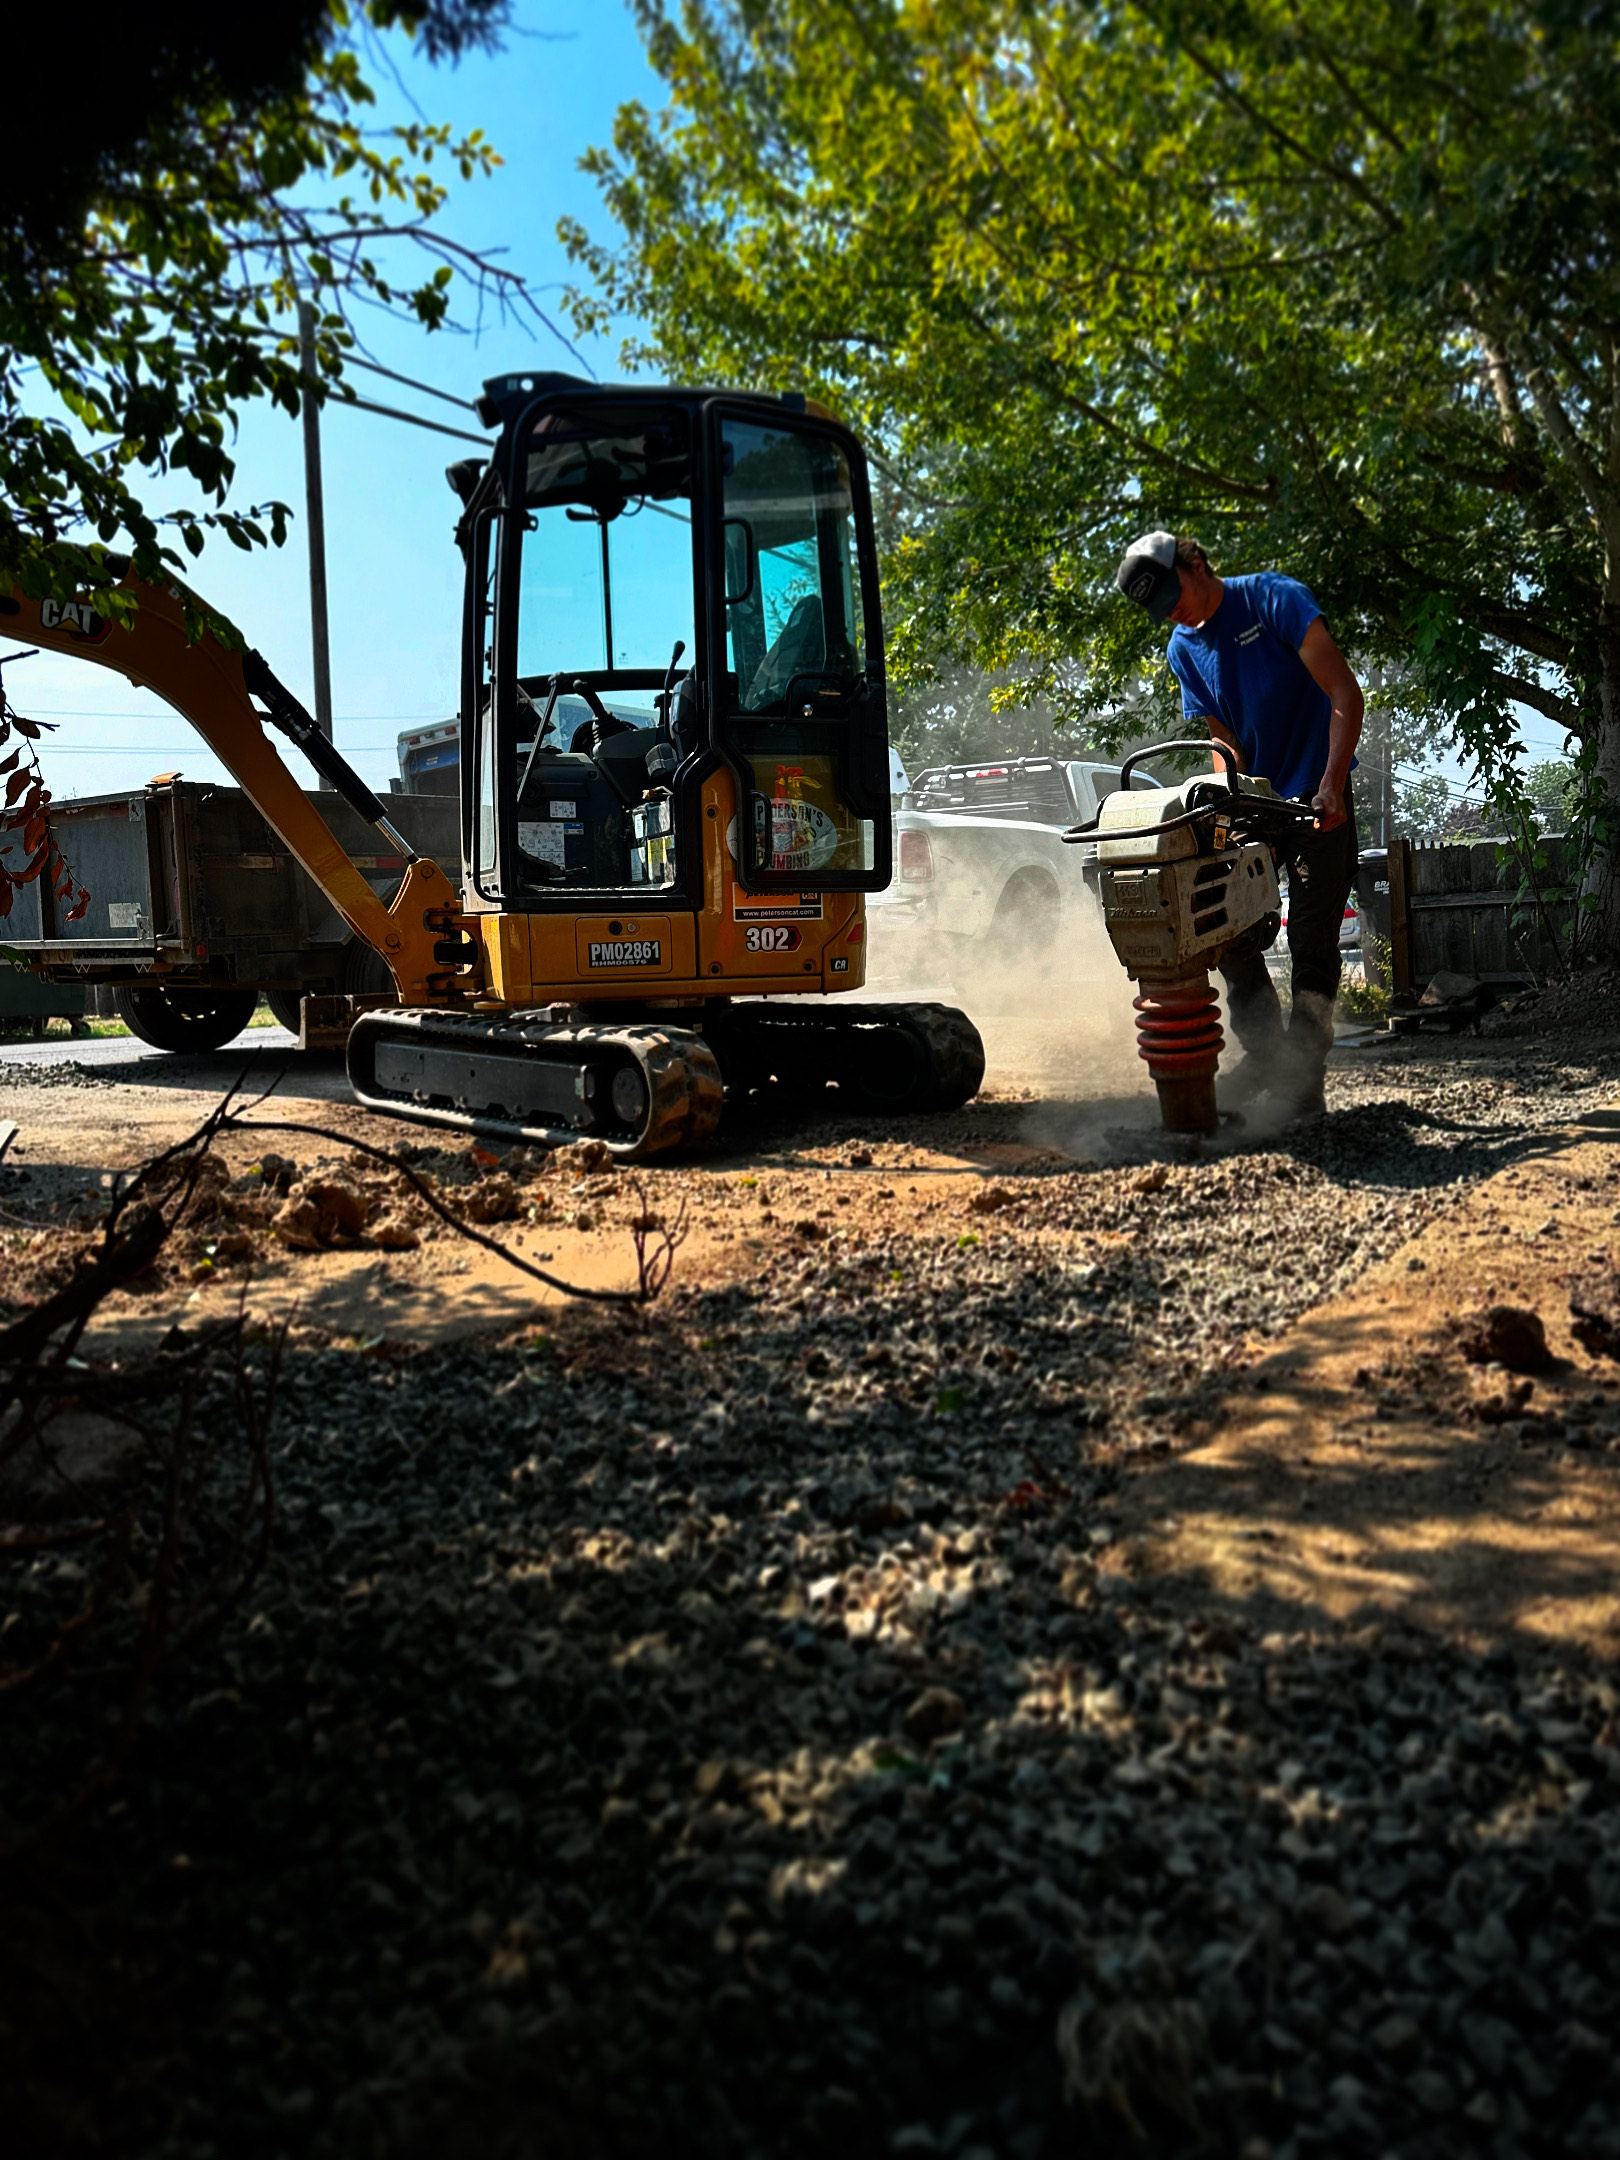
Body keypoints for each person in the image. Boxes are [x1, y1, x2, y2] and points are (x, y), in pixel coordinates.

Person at [1113, 531, 1365, 1118]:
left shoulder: (1273, 599)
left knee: (1312, 941)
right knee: (1223, 923)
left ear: (1196, 564)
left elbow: (1344, 693)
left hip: (1318, 792)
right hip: (1256, 801)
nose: (1172, 612)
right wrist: (1230, 805)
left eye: (1173, 595)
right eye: (1160, 609)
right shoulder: (1183, 648)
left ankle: (1302, 1076)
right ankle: (1265, 1054)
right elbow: (1223, 741)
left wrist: (1332, 781)